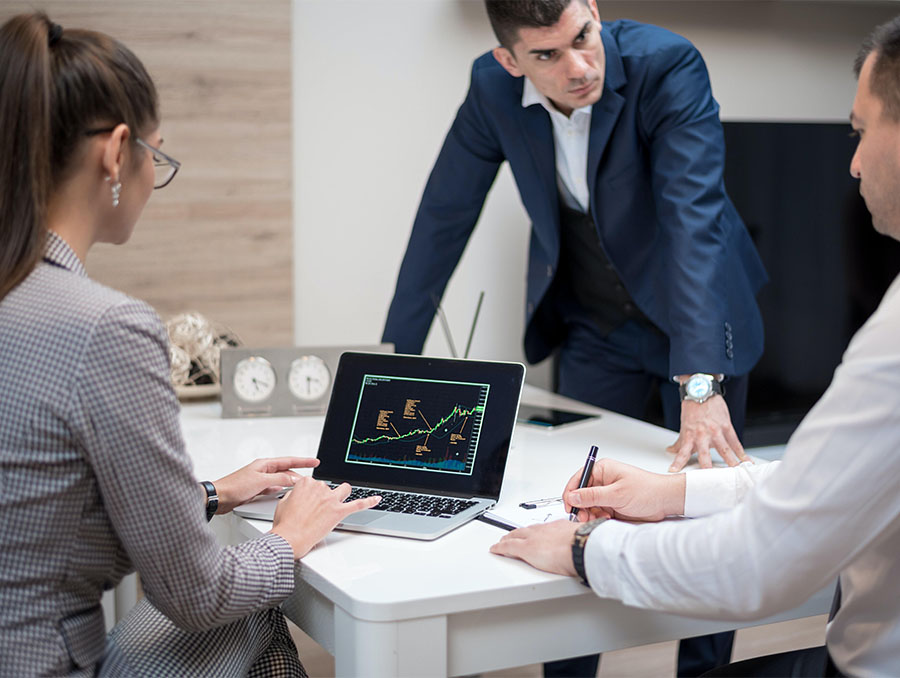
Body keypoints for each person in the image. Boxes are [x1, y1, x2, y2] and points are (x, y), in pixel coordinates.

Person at [490, 15, 900, 676]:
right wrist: (673, 496)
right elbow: (830, 490)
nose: (851, 161)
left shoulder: (894, 341)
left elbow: (760, 564)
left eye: (860, 131)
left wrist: (581, 547)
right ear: (511, 59)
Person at [381, 0, 764, 673]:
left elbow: (692, 221)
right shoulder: (491, 88)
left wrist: (702, 378)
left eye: (583, 38)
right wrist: (391, 366)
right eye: (548, 56)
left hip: (699, 322)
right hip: (595, 326)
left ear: (593, 9)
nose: (579, 66)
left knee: (713, 517)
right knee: (579, 501)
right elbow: (442, 219)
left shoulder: (665, 65)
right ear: (510, 60)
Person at [0, 12, 380, 676]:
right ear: (117, 153)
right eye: (157, 153)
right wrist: (289, 537)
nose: (154, 174)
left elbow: (37, 516)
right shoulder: (105, 328)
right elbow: (199, 596)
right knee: (251, 601)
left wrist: (206, 495)